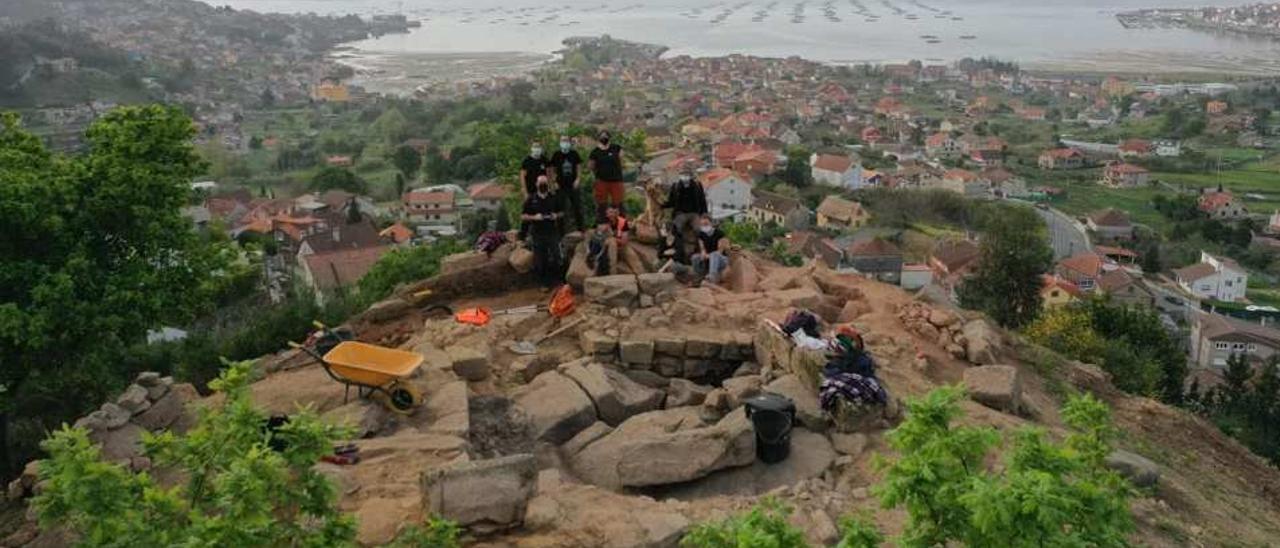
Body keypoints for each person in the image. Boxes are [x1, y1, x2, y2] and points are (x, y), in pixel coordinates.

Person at [520, 175, 563, 290]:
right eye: (541, 183)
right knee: (540, 259)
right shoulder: (531, 199)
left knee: (557, 255)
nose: (543, 185)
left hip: (552, 231)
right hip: (537, 233)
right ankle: (543, 283)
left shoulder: (553, 197)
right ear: (536, 184)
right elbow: (523, 216)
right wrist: (534, 217)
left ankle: (559, 281)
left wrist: (556, 215)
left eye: (545, 183)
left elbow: (562, 212)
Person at [663, 165, 708, 262]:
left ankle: (701, 249)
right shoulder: (675, 186)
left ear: (691, 175)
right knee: (677, 229)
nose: (685, 176)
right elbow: (671, 201)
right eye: (683, 174)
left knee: (699, 229)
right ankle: (679, 251)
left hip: (694, 213)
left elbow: (702, 200)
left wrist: (704, 213)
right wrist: (661, 205)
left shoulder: (697, 185)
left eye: (687, 174)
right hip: (681, 213)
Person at [549, 135, 585, 232]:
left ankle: (581, 229)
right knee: (560, 209)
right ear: (560, 142)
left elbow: (579, 167)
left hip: (573, 185)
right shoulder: (556, 155)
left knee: (577, 207)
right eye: (562, 140)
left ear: (569, 142)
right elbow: (551, 169)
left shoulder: (574, 154)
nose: (564, 142)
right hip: (560, 186)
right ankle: (561, 232)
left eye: (566, 140)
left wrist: (578, 179)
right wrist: (554, 181)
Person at [587, 130, 624, 224]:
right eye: (602, 136)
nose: (604, 138)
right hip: (602, 181)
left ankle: (620, 225)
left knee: (618, 204)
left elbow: (621, 159)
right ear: (598, 138)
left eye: (606, 136)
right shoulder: (595, 152)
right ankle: (602, 224)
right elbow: (590, 166)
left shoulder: (616, 148)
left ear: (609, 137)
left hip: (616, 180)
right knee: (602, 205)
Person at [691, 215, 727, 281]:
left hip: (721, 259)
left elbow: (720, 251)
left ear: (711, 223)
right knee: (695, 257)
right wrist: (703, 253)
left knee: (714, 254)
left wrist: (709, 256)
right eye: (702, 224)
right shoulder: (701, 235)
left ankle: (712, 277)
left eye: (706, 224)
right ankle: (700, 276)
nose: (704, 226)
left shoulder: (719, 233)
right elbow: (702, 248)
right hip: (709, 258)